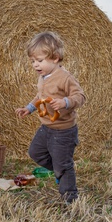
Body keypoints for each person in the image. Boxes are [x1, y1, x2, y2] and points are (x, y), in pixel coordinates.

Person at [15, 31, 86, 204]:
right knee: (35, 153)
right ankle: (60, 171)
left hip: (63, 131)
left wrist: (65, 102)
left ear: (55, 58)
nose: (35, 65)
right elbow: (40, 97)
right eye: (33, 61)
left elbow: (80, 97)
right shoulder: (42, 77)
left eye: (39, 61)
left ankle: (70, 198)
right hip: (46, 128)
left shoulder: (65, 78)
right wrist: (29, 108)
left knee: (63, 165)